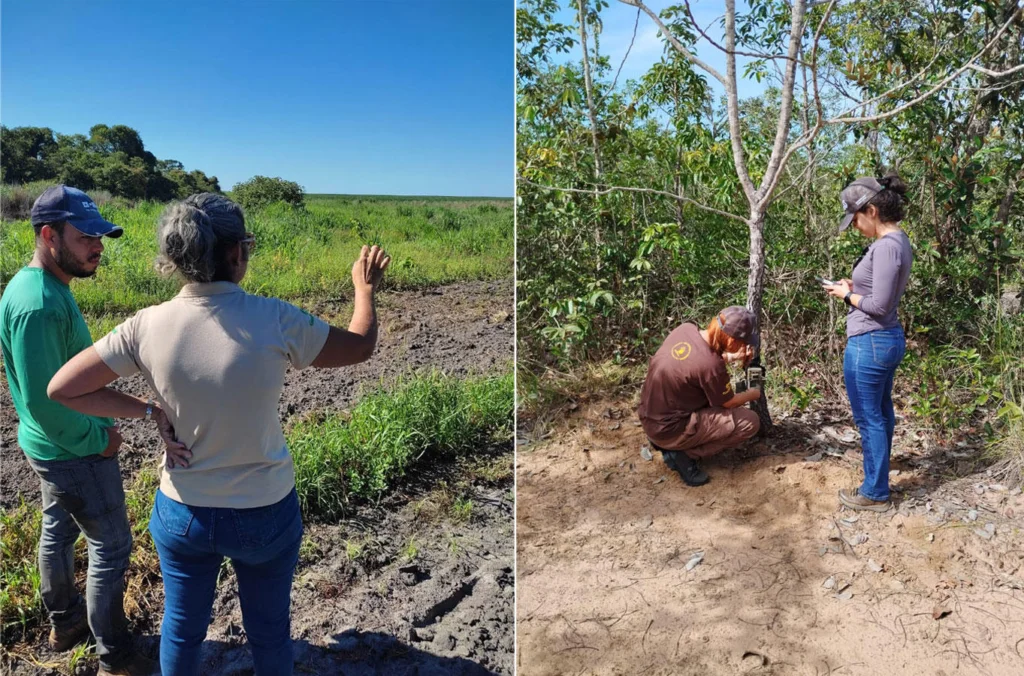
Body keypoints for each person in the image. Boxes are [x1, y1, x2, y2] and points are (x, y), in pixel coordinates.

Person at [48, 193, 390, 676]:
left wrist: (149, 411)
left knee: (182, 629)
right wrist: (364, 288)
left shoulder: (145, 326)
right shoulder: (275, 319)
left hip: (184, 510)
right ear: (235, 253)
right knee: (269, 633)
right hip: (265, 511)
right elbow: (359, 346)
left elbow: (62, 388)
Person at [0, 185, 163, 675]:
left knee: (57, 526)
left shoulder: (37, 287)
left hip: (48, 445)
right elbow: (47, 403)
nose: (98, 245)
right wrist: (102, 439)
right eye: (85, 235)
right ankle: (115, 655)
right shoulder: (40, 306)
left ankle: (66, 623)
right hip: (70, 448)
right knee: (111, 546)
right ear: (49, 235)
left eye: (100, 236)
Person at [823, 174, 913, 512]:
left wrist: (847, 295)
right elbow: (878, 292)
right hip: (880, 340)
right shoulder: (897, 242)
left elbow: (880, 306)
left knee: (869, 418)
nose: (856, 227)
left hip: (872, 341)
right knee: (881, 412)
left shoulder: (888, 246)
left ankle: (875, 492)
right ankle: (879, 477)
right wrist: (852, 288)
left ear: (871, 210)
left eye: (856, 219)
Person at [638, 306, 763, 487]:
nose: (745, 346)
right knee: (750, 422)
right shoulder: (711, 367)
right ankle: (684, 454)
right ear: (729, 339)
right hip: (669, 431)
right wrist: (754, 390)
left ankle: (670, 444)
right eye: (743, 342)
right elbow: (729, 402)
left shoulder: (685, 330)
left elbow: (698, 363)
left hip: (651, 420)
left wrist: (729, 357)